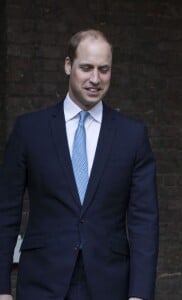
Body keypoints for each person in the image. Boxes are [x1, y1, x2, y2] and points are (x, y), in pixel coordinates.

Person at [0, 29, 158, 300]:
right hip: (42, 283)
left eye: (103, 69)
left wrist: (140, 294)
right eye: (86, 68)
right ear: (67, 65)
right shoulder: (29, 130)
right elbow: (5, 213)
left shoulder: (132, 135)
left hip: (110, 285)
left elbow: (144, 221)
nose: (95, 79)